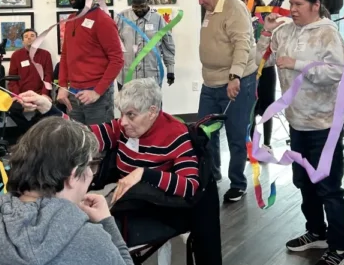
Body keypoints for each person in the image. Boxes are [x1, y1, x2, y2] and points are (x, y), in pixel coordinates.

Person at [18, 79, 223, 265]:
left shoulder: (177, 136)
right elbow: (82, 135)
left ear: (152, 111)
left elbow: (189, 185)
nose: (123, 121)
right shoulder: (123, 128)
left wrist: (143, 173)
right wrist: (48, 108)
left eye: (131, 114)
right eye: (122, 113)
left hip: (164, 208)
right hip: (134, 200)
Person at [0, 116, 134, 265]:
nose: (92, 174)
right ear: (72, 175)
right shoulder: (91, 241)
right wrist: (106, 222)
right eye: (91, 166)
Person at [258, 0, 344, 265]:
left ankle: (340, 249)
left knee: (329, 188)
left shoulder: (327, 34)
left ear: (315, 5)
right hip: (297, 123)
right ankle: (316, 232)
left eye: (298, 4)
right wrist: (266, 32)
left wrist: (297, 63)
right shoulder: (285, 30)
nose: (292, 9)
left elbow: (335, 74)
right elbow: (259, 60)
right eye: (292, 4)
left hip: (324, 125)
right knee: (304, 183)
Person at [194, 0, 257, 203]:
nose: (200, 1)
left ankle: (238, 183)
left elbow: (243, 43)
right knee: (205, 132)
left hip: (235, 81)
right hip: (210, 83)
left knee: (236, 135)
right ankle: (212, 174)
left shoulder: (234, 8)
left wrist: (235, 76)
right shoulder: (211, 9)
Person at [58, 0, 124, 124]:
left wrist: (97, 91)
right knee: (78, 141)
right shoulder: (70, 20)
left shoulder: (103, 20)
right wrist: (62, 86)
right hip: (73, 93)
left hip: (97, 97)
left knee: (99, 143)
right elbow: (65, 56)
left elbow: (117, 60)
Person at [238, 0, 289, 153]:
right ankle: (251, 146)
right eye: (243, 0)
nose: (246, 3)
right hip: (248, 71)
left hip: (266, 69)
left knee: (267, 107)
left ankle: (267, 145)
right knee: (249, 109)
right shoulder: (239, 21)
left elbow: (277, 1)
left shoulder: (264, 15)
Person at [115, 0, 176, 90]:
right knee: (127, 105)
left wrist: (170, 70)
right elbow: (113, 44)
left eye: (142, 6)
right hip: (126, 77)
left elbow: (167, 46)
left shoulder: (158, 19)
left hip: (151, 78)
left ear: (148, 2)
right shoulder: (121, 18)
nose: (139, 10)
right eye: (135, 7)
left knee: (152, 105)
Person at [7, 28, 53, 97]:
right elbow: (12, 78)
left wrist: (44, 94)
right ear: (22, 41)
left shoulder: (46, 55)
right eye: (26, 36)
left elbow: (48, 76)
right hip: (21, 96)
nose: (29, 38)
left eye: (32, 36)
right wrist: (17, 95)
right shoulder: (16, 55)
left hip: (41, 95)